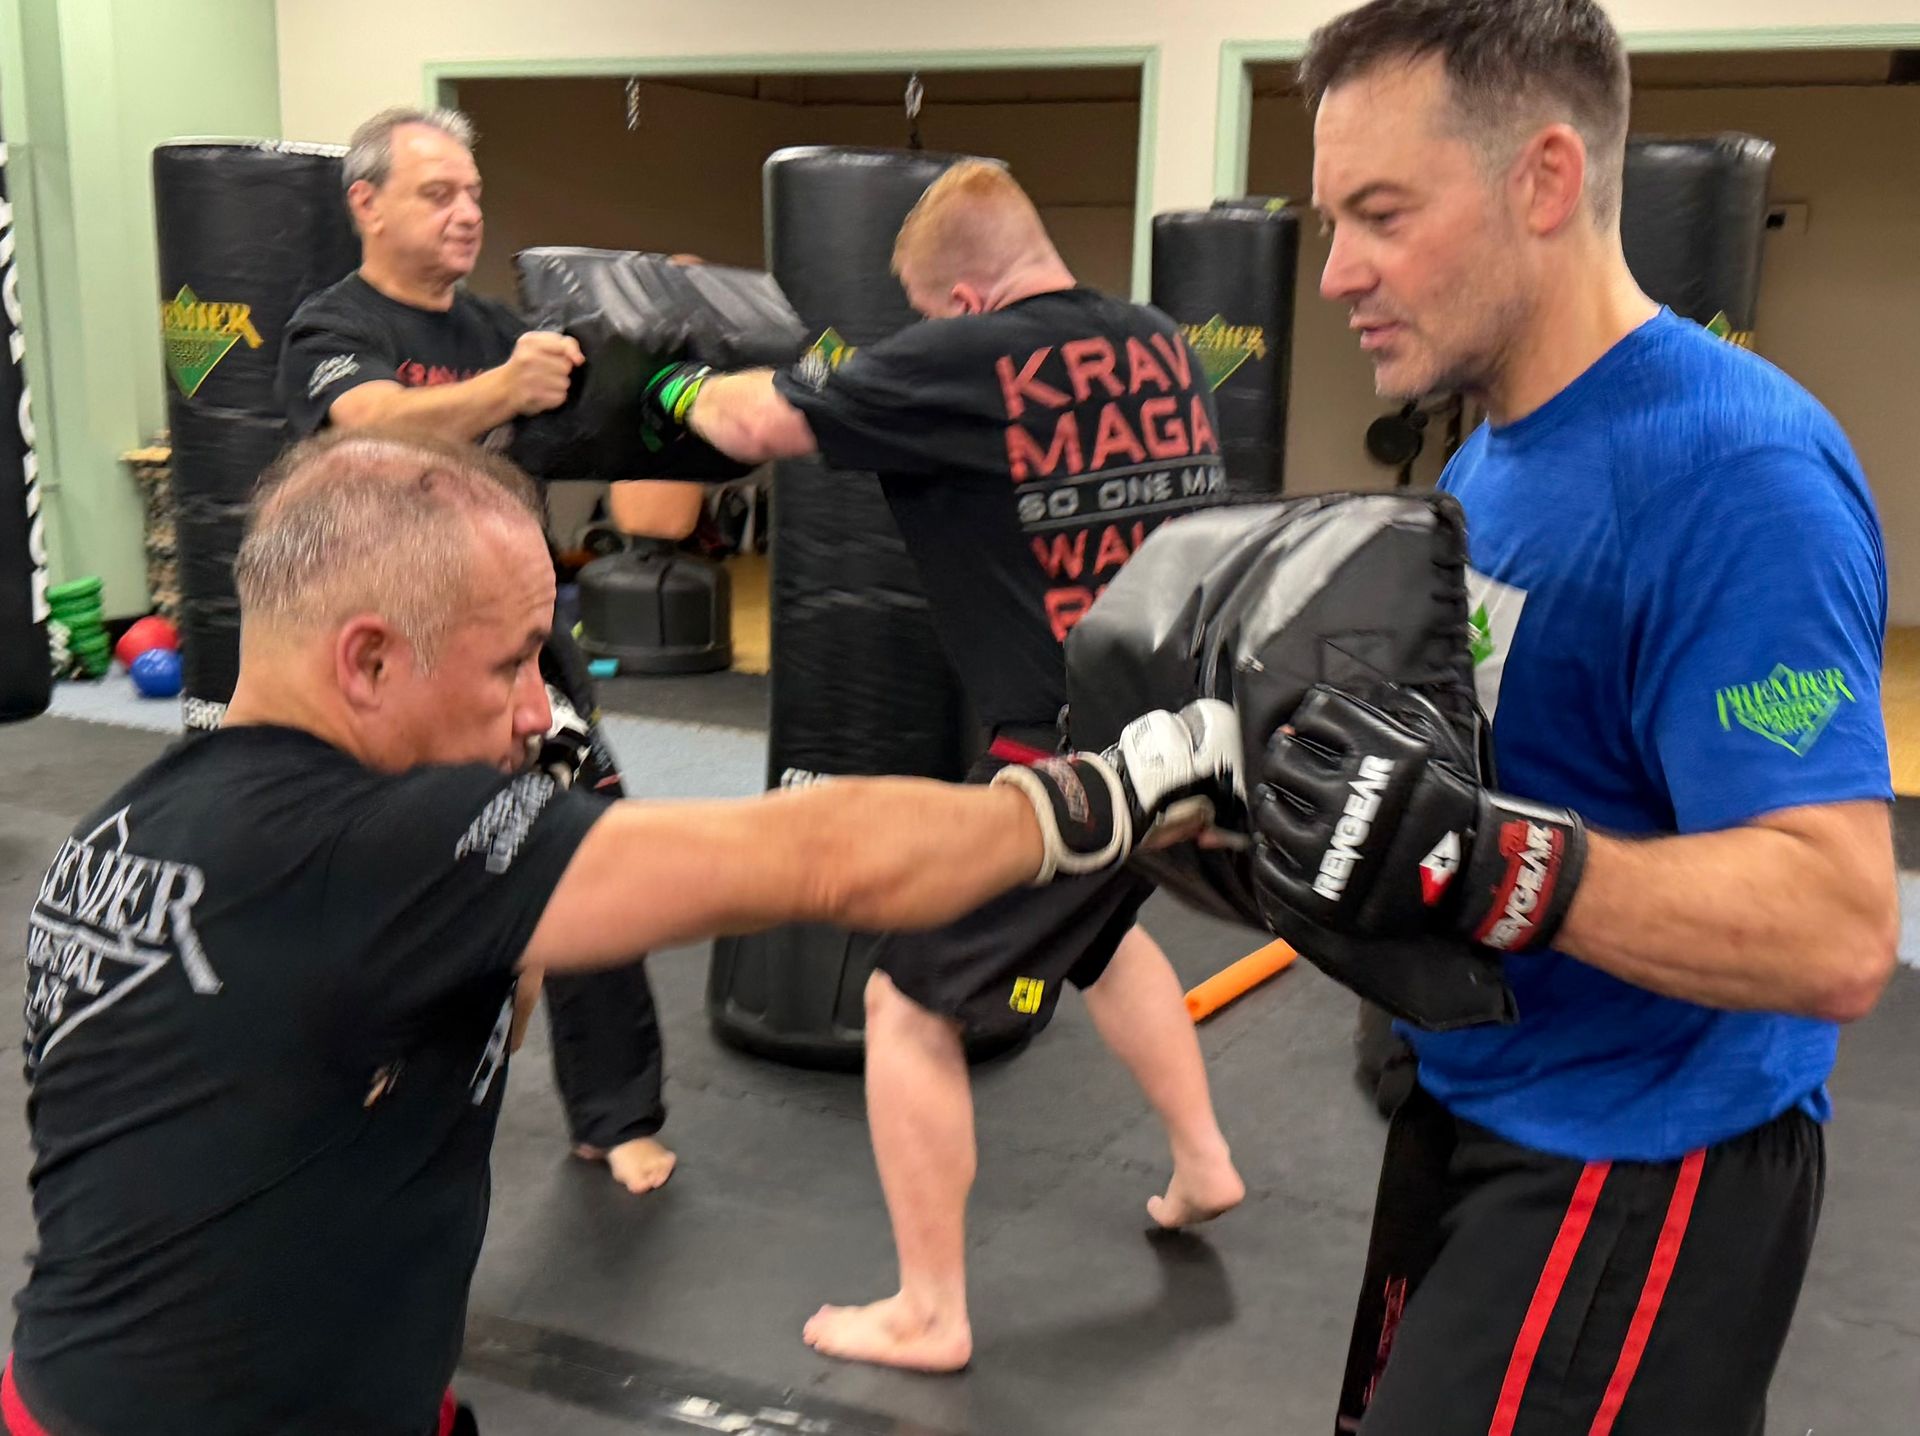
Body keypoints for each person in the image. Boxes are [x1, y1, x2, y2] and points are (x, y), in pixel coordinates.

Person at [7, 430, 1238, 1436]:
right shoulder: (372, 847)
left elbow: (425, 1037)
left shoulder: (133, 825)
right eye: (509, 667)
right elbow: (818, 854)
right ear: (369, 660)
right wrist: (1117, 791)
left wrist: (529, 866)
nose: (540, 706)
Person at [1246, 2, 1899, 1431]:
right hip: (1481, 1113)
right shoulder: (1497, 447)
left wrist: (1485, 863)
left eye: (1380, 214)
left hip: (1640, 1165)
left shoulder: (1738, 475)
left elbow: (1838, 927)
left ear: (1544, 180)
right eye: (1330, 220)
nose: (1338, 271)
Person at [639, 160, 1247, 1371]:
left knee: (906, 1002)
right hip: (1188, 725)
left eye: (926, 315)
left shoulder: (969, 358)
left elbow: (755, 423)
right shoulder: (1156, 341)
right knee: (1103, 938)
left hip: (1069, 754)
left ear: (964, 301)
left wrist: (662, 376)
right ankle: (1204, 1160)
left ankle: (930, 1308)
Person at [276, 106, 677, 1197]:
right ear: (366, 204)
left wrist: (681, 341)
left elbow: (623, 418)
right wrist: (503, 387)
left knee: (589, 842)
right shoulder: (332, 328)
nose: (466, 213)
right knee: (393, 888)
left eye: (473, 194)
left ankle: (614, 1108)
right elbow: (361, 429)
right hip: (383, 667)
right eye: (436, 194)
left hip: (520, 652)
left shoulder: (505, 324)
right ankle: (355, 1106)